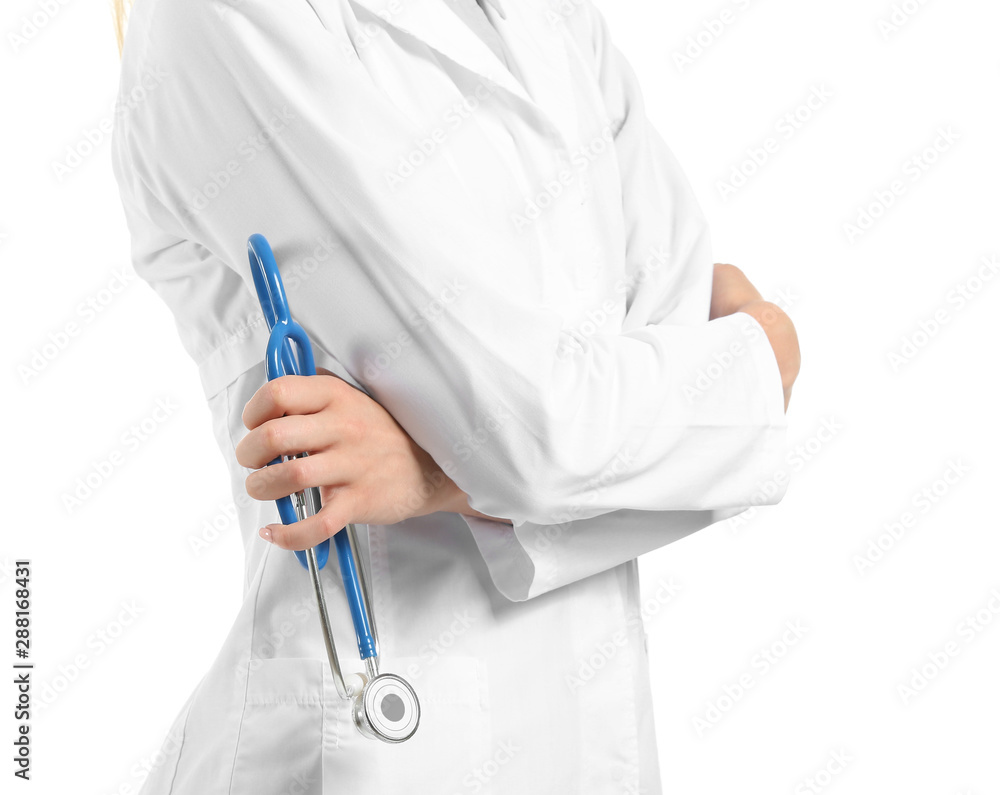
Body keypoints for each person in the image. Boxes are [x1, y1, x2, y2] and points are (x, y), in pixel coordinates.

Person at [110, 0, 800, 792]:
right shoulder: (220, 17)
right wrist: (759, 356)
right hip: (373, 732)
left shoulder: (555, 17)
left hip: (597, 728)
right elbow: (564, 430)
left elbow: (637, 378)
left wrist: (433, 474)